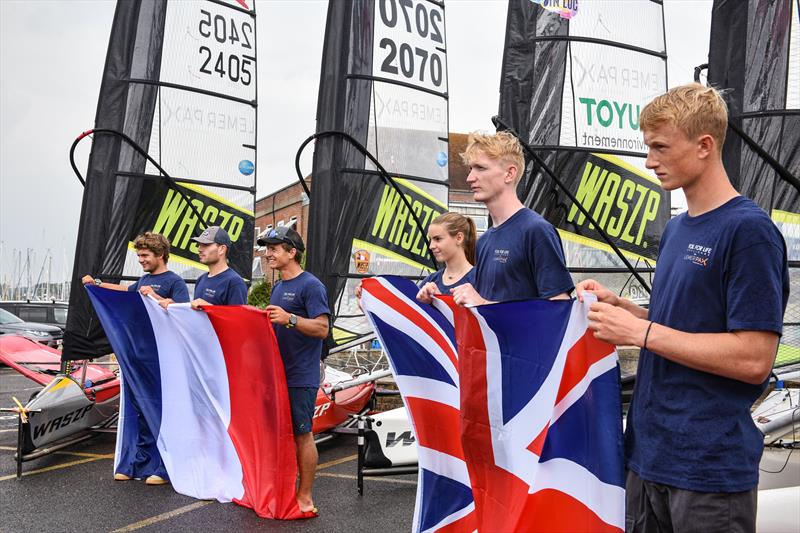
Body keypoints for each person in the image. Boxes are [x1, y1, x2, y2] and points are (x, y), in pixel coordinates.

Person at [576, 83, 789, 533]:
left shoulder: (749, 232)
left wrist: (641, 334)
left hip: (707, 469)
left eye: (659, 147)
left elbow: (753, 358)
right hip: (649, 455)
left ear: (704, 146)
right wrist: (629, 312)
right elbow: (681, 326)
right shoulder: (676, 229)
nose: (649, 161)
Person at [82, 232, 189, 486]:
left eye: (145, 255)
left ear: (160, 255)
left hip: (162, 359)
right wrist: (97, 284)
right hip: (137, 356)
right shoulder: (143, 279)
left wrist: (158, 298)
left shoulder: (175, 282)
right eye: (139, 255)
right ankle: (140, 463)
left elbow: (183, 314)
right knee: (139, 411)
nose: (140, 260)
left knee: (161, 411)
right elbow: (124, 290)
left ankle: (164, 467)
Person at [450, 131, 573, 306]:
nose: (470, 178)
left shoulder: (536, 231)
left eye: (480, 168)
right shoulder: (484, 241)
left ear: (509, 174)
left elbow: (559, 309)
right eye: (471, 169)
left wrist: (484, 304)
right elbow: (479, 306)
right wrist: (437, 299)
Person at [259, 226, 330, 516]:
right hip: (277, 373)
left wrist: (289, 319)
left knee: (303, 434)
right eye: (267, 248)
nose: (268, 254)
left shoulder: (311, 285)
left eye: (275, 248)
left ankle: (305, 495)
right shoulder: (278, 287)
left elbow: (322, 328)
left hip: (301, 375)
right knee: (277, 434)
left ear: (292, 252)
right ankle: (282, 488)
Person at [415, 212, 477, 304]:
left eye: (438, 239)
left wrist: (439, 301)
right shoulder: (430, 280)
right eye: (430, 239)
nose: (431, 246)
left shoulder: (479, 279)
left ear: (459, 238)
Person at [189, 226, 248, 307]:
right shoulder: (200, 280)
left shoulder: (234, 282)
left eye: (205, 245)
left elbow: (238, 318)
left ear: (222, 249)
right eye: (199, 244)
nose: (199, 249)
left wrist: (210, 308)